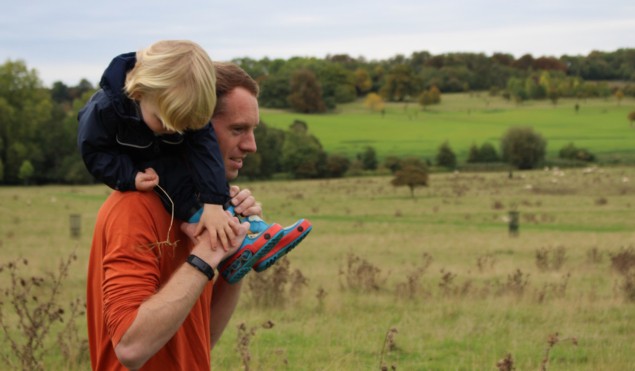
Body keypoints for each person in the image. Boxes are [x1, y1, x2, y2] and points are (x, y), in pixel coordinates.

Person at [86, 61, 310, 370]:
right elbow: (131, 347)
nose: (251, 145)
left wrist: (234, 257)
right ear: (192, 126)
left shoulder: (195, 211)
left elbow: (200, 337)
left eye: (252, 130)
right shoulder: (134, 208)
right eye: (237, 129)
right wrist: (206, 255)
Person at [77, 39, 277, 253]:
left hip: (178, 189)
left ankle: (249, 235)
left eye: (186, 126)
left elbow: (205, 152)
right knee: (173, 180)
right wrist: (129, 176)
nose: (173, 131)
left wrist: (215, 204)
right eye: (237, 129)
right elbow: (94, 151)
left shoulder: (183, 111)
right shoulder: (133, 210)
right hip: (145, 176)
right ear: (138, 94)